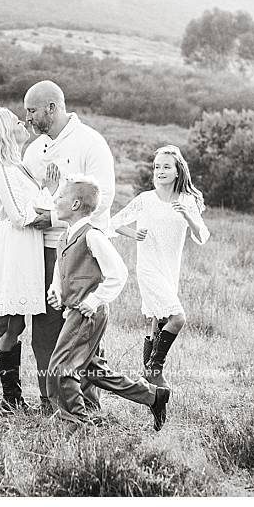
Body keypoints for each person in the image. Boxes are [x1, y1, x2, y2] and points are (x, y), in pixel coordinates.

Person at [46, 175, 170, 430]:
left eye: (60, 197)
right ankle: (152, 396)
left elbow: (118, 273)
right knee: (93, 371)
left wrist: (94, 300)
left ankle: (77, 422)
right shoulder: (63, 237)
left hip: (88, 313)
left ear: (76, 204)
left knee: (62, 367)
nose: (55, 201)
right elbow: (61, 273)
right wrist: (56, 291)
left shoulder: (93, 236)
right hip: (73, 311)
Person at [22, 80, 116, 413]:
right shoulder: (33, 151)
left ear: (52, 107)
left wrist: (56, 219)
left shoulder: (90, 142)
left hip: (81, 250)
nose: (28, 118)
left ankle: (86, 405)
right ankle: (53, 403)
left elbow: (102, 199)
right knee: (45, 326)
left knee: (80, 327)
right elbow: (28, 196)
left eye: (32, 111)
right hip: (42, 249)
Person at [0, 108, 62, 415]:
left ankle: (12, 396)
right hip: (13, 250)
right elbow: (22, 217)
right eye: (15, 122)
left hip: (27, 250)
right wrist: (48, 193)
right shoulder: (4, 172)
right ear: (5, 133)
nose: (22, 124)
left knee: (18, 323)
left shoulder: (19, 168)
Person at [108, 145, 209, 387]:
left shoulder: (188, 201)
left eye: (166, 167)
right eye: (156, 167)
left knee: (158, 322)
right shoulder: (145, 200)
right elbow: (113, 224)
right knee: (177, 318)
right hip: (148, 268)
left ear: (177, 171)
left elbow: (202, 236)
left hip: (170, 269)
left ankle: (150, 388)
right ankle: (154, 369)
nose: (160, 171)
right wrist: (134, 234)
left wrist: (187, 216)